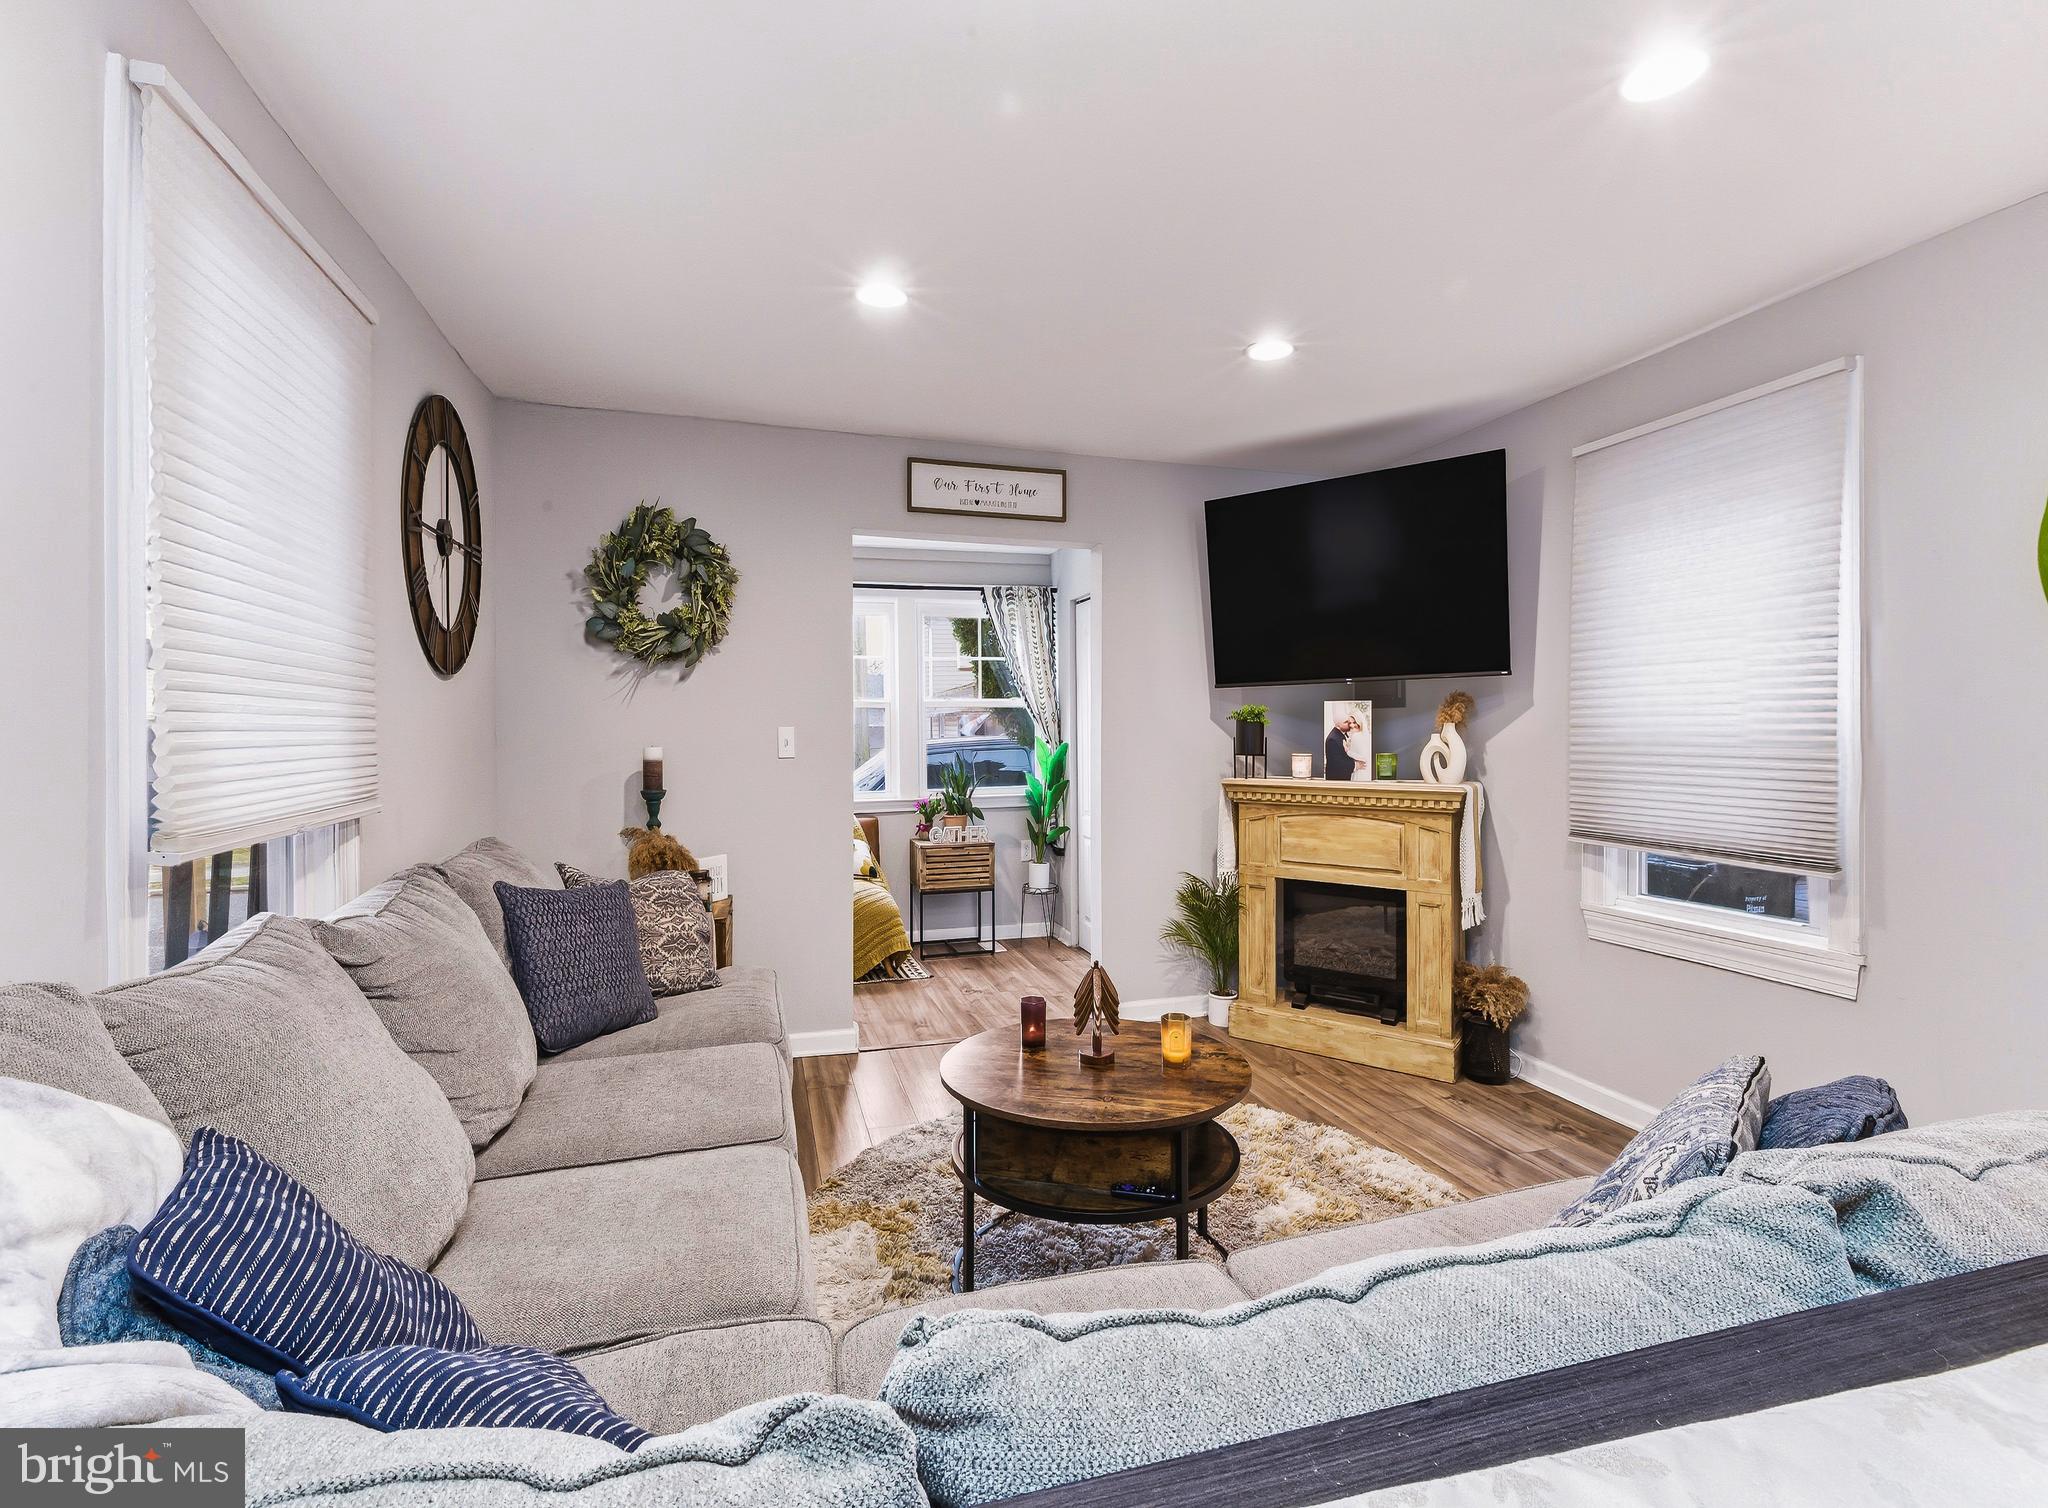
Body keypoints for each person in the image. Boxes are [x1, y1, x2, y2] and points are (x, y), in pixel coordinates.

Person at [1324, 715, 1358, 781]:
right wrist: (1355, 765)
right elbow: (1337, 762)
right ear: (1338, 725)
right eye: (1345, 722)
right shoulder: (1333, 739)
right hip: (1337, 780)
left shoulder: (1341, 734)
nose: (1349, 724)